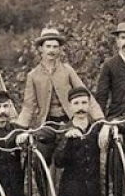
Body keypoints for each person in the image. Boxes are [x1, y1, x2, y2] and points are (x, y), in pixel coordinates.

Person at [16, 27, 104, 161]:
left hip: (70, 121)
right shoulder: (33, 75)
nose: (51, 50)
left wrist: (100, 119)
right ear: (41, 49)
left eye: (55, 47)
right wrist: (19, 130)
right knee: (39, 155)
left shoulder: (67, 70)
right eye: (48, 46)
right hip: (47, 124)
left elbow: (85, 94)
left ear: (59, 49)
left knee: (76, 151)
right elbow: (28, 106)